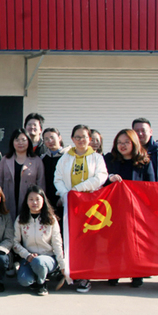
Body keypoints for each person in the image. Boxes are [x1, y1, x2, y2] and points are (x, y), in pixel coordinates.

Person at [54, 124, 108, 293]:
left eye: (84, 137)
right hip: (71, 205)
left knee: (88, 242)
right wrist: (67, 195)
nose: (80, 140)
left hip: (91, 205)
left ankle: (85, 276)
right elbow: (58, 179)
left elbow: (101, 177)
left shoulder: (97, 158)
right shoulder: (65, 158)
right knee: (71, 240)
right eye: (77, 137)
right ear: (72, 139)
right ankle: (71, 272)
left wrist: (78, 189)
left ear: (89, 139)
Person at [103, 128, 155, 288]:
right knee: (114, 243)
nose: (122, 145)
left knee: (136, 243)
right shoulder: (109, 159)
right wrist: (109, 178)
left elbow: (151, 187)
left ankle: (137, 273)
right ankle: (114, 272)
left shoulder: (144, 162)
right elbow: (100, 179)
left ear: (134, 143)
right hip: (113, 209)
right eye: (119, 142)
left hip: (136, 210)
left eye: (126, 142)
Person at [12, 186, 67, 296]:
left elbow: (57, 243)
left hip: (47, 257)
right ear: (26, 201)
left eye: (37, 199)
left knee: (39, 262)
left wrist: (62, 264)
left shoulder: (51, 219)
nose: (34, 202)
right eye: (31, 199)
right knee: (24, 280)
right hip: (28, 258)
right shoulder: (20, 219)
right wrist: (27, 255)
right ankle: (36, 277)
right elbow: (15, 242)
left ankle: (42, 283)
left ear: (43, 201)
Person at [0, 128, 46, 222]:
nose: (20, 143)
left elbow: (41, 184)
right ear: (12, 142)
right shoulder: (5, 160)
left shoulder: (36, 161)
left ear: (29, 142)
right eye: (17, 140)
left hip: (29, 202)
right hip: (8, 200)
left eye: (23, 140)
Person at [132, 118, 158, 182]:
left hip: (153, 187)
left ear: (150, 132)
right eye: (137, 131)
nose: (140, 133)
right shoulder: (127, 149)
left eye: (143, 130)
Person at [40, 127, 66, 213]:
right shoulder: (43, 158)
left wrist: (63, 197)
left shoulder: (68, 157)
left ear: (59, 138)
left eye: (52, 137)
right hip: (47, 201)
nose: (50, 141)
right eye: (46, 139)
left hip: (63, 199)